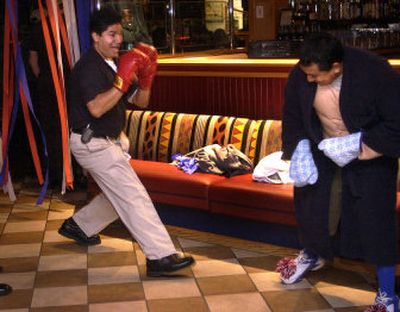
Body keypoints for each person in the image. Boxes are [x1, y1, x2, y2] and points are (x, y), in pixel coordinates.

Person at [58, 6, 194, 277]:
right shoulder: (87, 68)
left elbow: (140, 102)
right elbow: (96, 108)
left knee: (117, 193)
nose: (118, 40)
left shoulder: (116, 63)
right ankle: (160, 256)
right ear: (95, 36)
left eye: (119, 34)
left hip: (111, 141)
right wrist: (120, 84)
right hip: (91, 142)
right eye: (111, 35)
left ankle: (79, 226)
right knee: (133, 194)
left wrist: (146, 79)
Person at [276, 32, 400, 311]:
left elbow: (397, 122)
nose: (309, 80)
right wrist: (300, 147)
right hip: (323, 149)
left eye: (315, 76)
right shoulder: (301, 73)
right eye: (305, 74)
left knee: (376, 221)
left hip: (371, 153)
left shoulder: (376, 72)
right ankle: (311, 254)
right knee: (312, 205)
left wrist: (359, 144)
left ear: (336, 67)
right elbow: (293, 114)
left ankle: (388, 294)